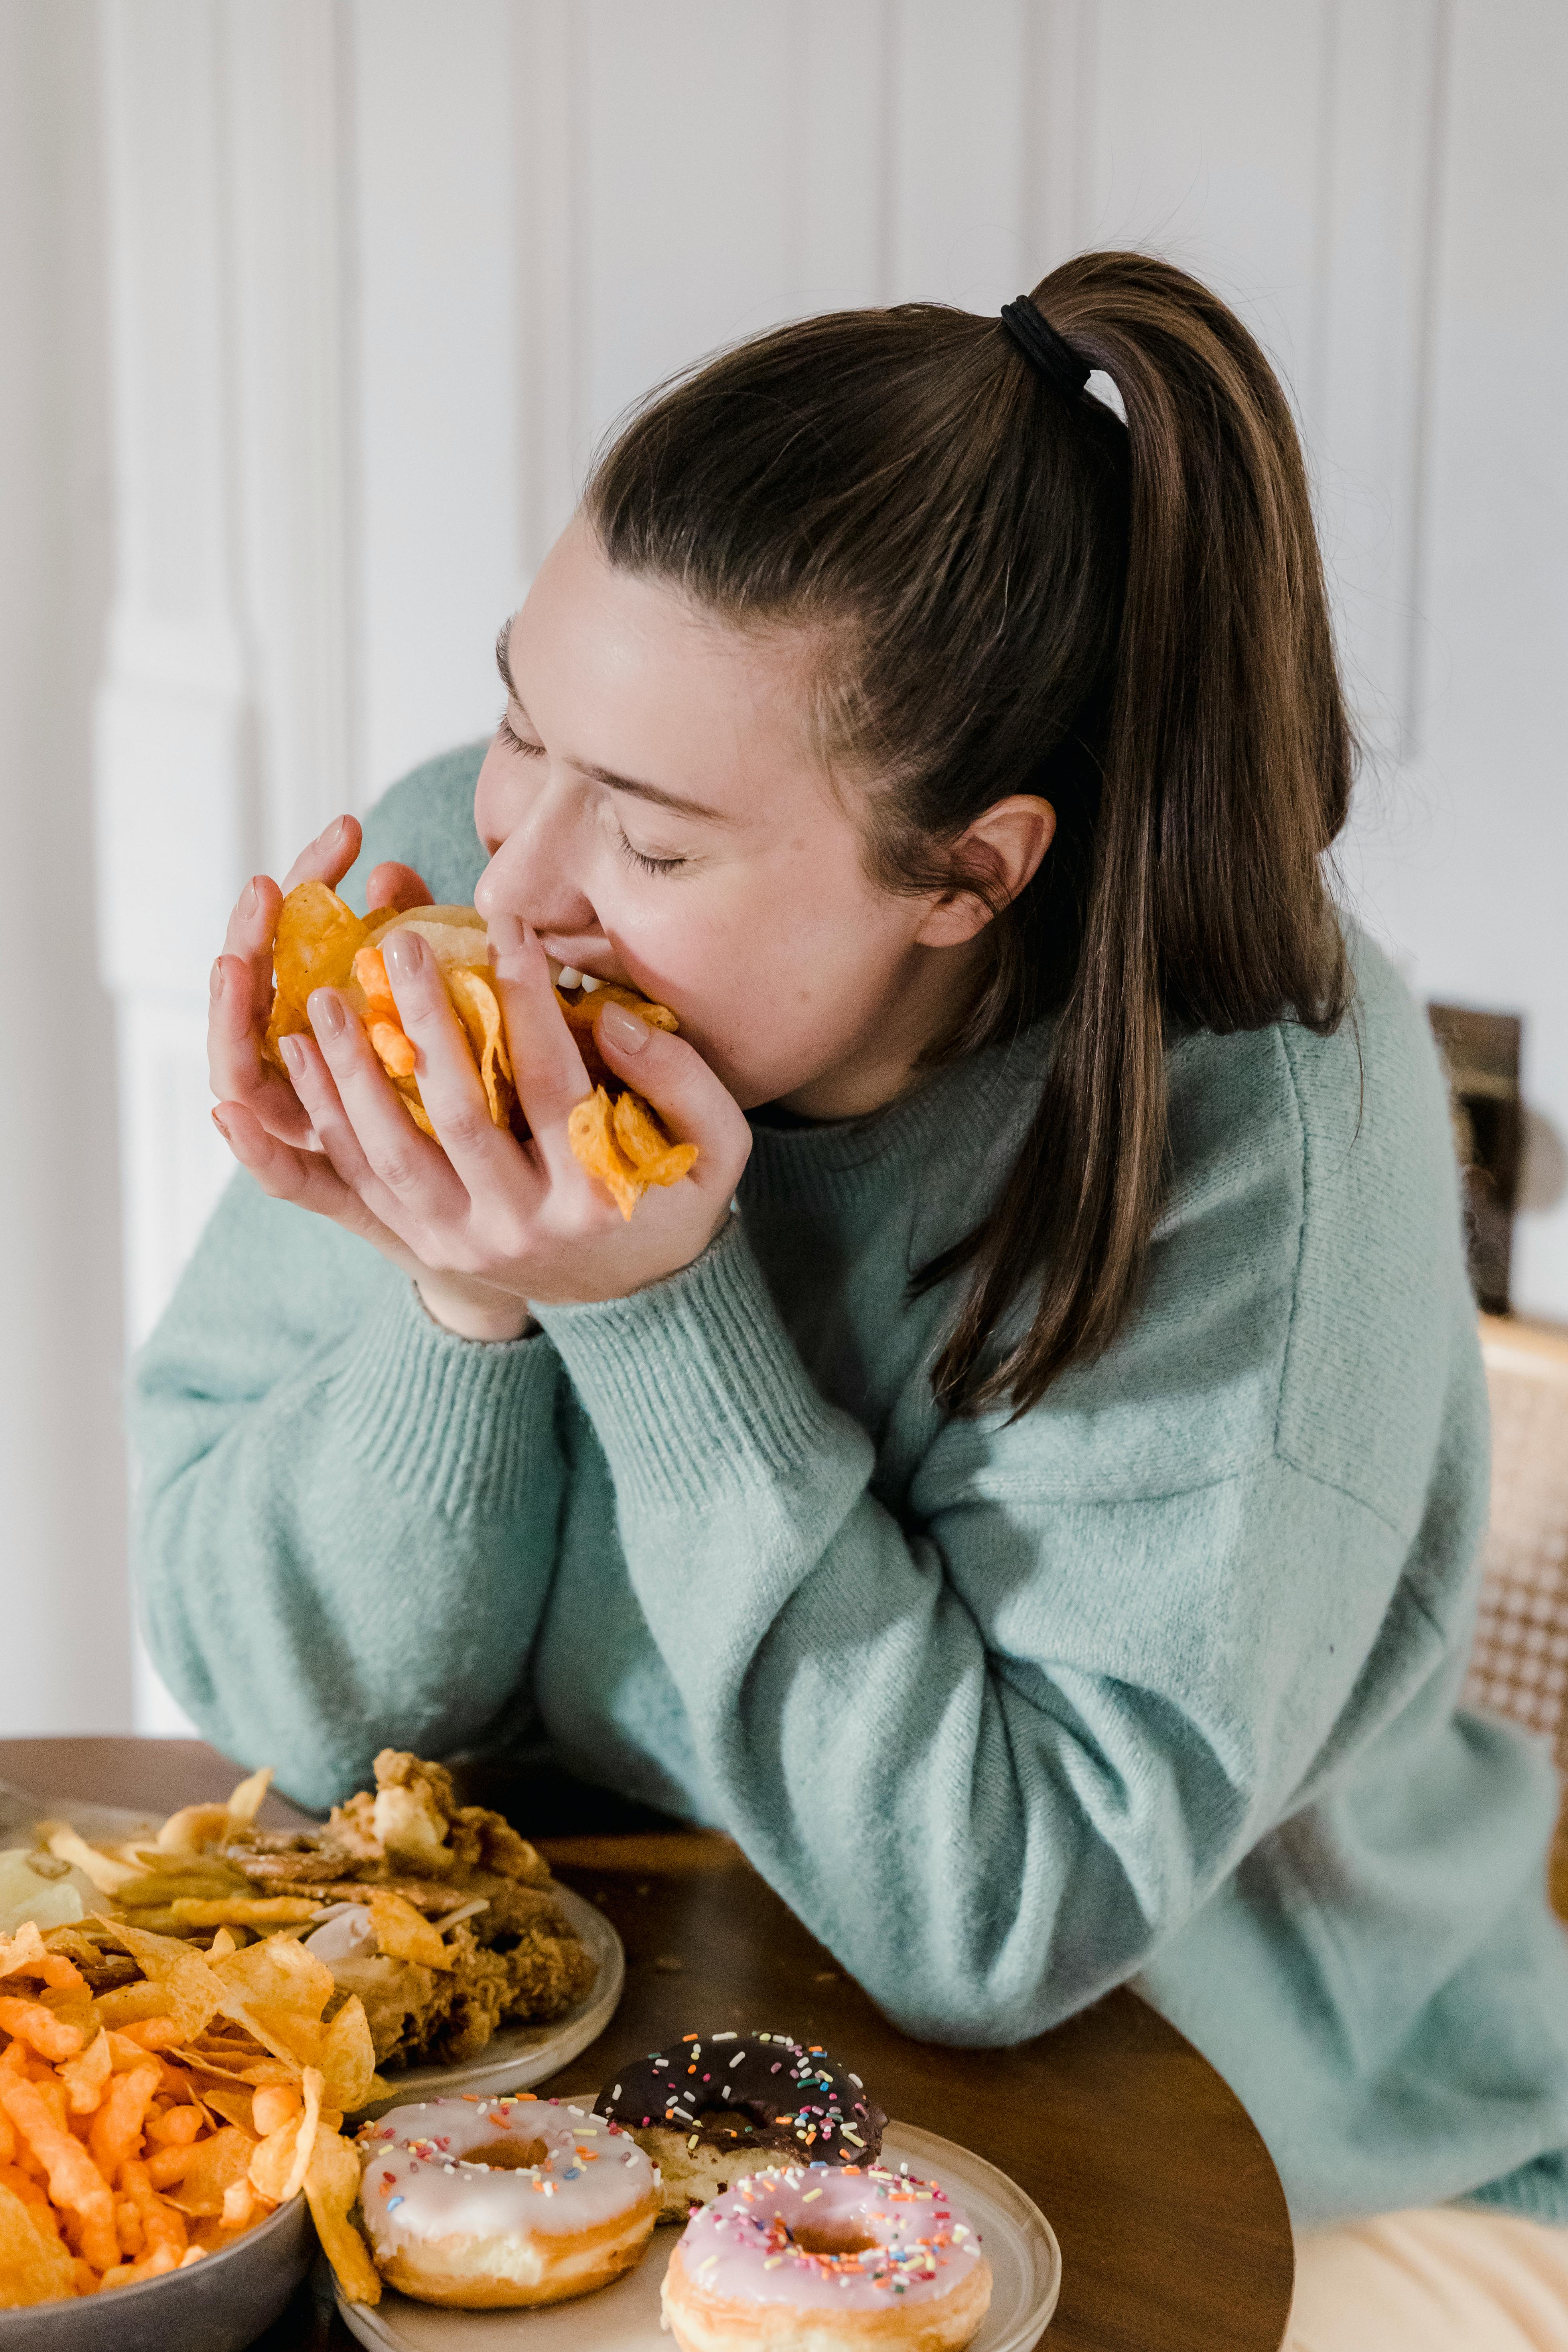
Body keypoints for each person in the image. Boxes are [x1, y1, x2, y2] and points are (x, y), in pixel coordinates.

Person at [135, 253, 1568, 2344]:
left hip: (1287, 2148)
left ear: (969, 875)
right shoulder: (487, 861)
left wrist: (648, 1306)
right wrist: (457, 1307)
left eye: (644, 834)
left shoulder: (1253, 1124)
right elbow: (291, 1725)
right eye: (524, 722)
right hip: (637, 2080)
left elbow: (1000, 1921)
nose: (509, 881)